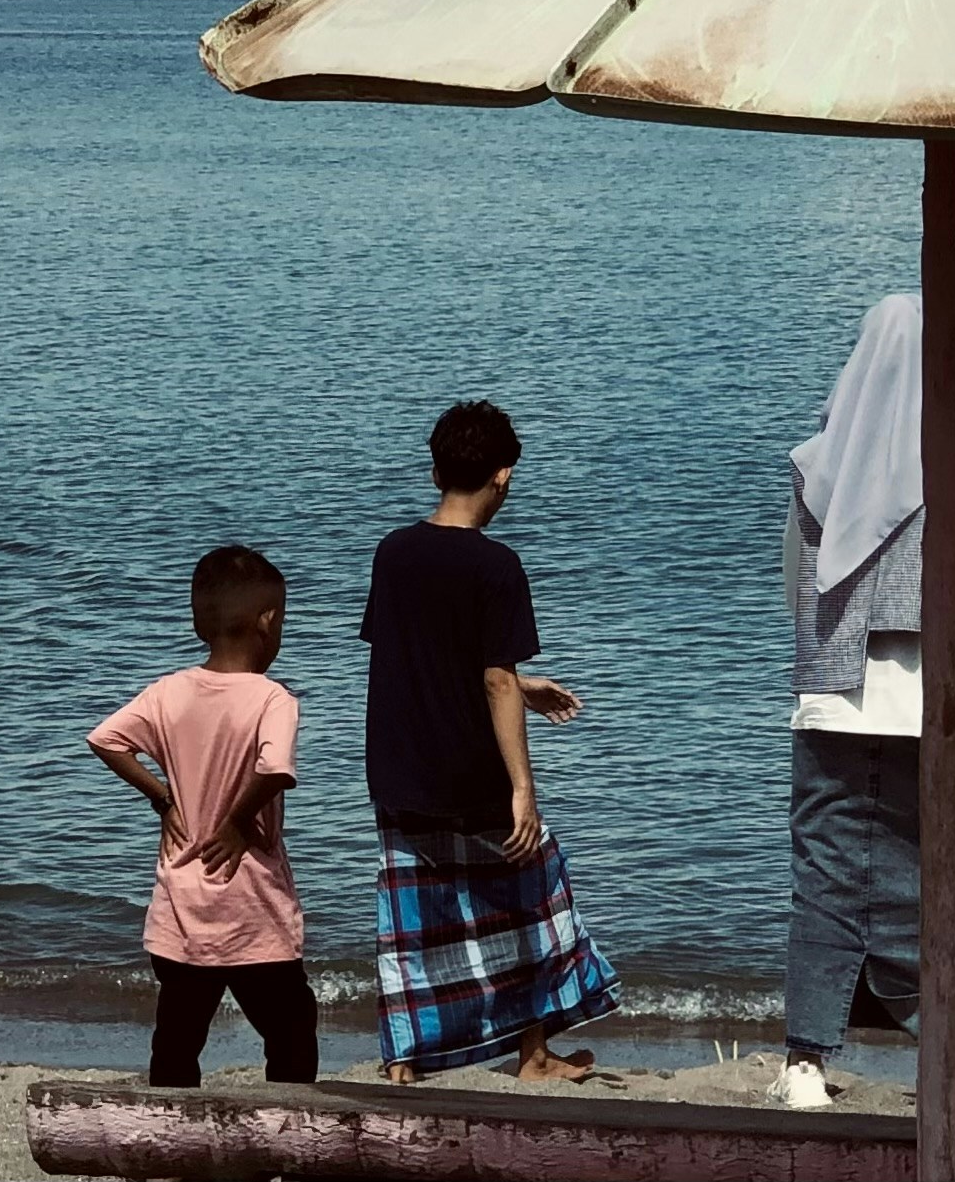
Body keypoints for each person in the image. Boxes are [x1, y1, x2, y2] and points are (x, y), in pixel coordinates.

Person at [359, 400, 619, 1083]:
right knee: (533, 897)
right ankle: (531, 1055)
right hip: (470, 774)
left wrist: (521, 681)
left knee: (412, 924)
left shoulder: (393, 551)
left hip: (399, 769)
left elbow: (415, 654)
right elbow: (491, 679)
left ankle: (403, 1065)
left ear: (436, 469)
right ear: (503, 475)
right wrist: (523, 789)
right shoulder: (496, 564)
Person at [86, 544, 317, 1087]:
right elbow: (277, 769)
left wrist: (162, 796)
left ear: (198, 622)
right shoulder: (271, 698)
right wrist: (238, 823)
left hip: (181, 909)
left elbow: (107, 739)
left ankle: (172, 1145)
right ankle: (286, 1133)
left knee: (177, 1039)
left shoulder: (169, 692)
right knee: (291, 1030)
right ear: (269, 621)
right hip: (253, 907)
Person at [776, 294, 928, 1110]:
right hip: (930, 702)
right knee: (927, 870)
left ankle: (806, 1060)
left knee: (825, 872)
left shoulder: (817, 465)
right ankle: (937, 1032)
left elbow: (795, 590)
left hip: (834, 697)